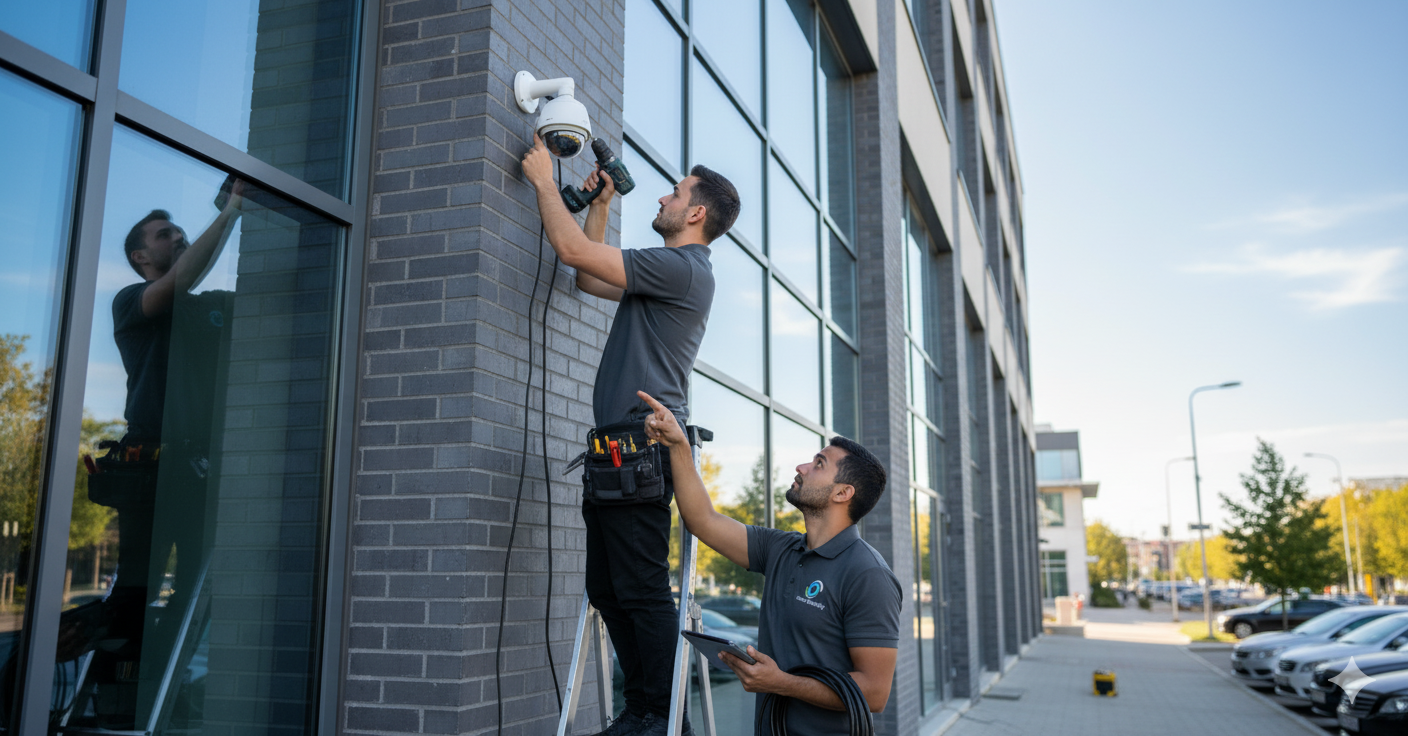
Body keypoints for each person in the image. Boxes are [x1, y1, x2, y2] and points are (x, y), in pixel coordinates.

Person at [521, 136, 740, 736]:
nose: (666, 198)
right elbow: (592, 278)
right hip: (615, 451)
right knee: (608, 589)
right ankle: (644, 710)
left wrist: (545, 178)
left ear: (696, 213)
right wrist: (601, 204)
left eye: (676, 193)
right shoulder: (667, 274)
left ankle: (664, 718)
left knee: (641, 591)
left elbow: (571, 253)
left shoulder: (682, 268)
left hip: (641, 450)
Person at [73, 179, 246, 728]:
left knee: (197, 589)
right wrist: (235, 209)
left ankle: (157, 695)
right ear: (139, 257)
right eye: (162, 234)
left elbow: (215, 281)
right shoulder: (133, 302)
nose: (176, 236)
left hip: (200, 469)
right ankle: (106, 694)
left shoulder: (211, 310)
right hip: (152, 472)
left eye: (177, 230)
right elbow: (182, 277)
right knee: (137, 587)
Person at [637, 390, 902, 736]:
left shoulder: (868, 575)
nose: (802, 467)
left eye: (819, 463)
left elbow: (875, 693)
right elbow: (702, 520)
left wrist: (781, 683)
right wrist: (678, 446)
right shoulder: (782, 549)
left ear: (842, 493)